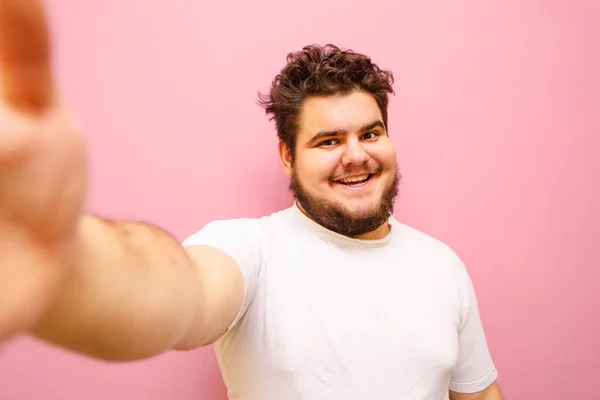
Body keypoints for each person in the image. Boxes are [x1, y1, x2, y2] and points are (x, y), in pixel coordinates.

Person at [0, 1, 503, 399]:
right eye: (328, 141)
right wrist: (64, 258)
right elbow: (179, 292)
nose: (356, 156)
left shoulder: (442, 265)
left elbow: (477, 396)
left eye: (370, 133)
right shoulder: (252, 250)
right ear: (287, 156)